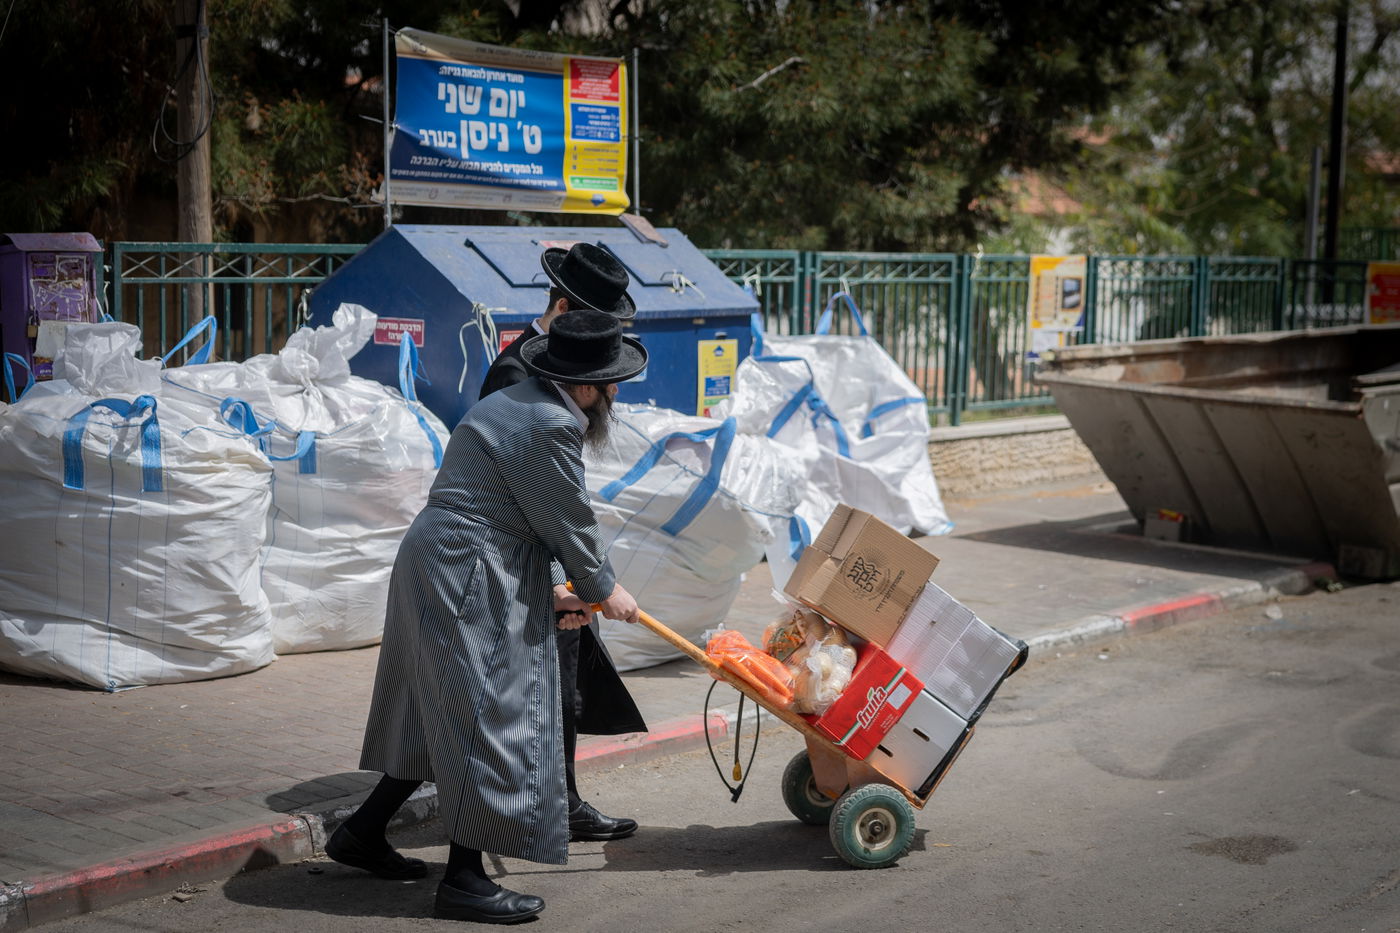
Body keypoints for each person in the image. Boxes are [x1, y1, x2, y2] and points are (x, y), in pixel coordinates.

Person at [325, 310, 648, 924]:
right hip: (467, 569)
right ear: (587, 386)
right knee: (489, 713)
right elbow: (570, 521)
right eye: (611, 386)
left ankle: (361, 833)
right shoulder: (551, 423)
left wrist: (561, 591)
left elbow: (524, 510)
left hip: (444, 558)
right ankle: (465, 881)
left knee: (429, 712)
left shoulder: (520, 401)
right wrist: (607, 590)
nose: (613, 398)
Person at [479, 242, 647, 844]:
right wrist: (562, 585)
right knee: (542, 691)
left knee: (567, 686)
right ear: (561, 309)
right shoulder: (518, 375)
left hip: (555, 559)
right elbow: (521, 494)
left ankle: (561, 798)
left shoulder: (554, 375)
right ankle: (549, 805)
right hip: (523, 561)